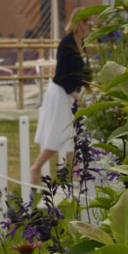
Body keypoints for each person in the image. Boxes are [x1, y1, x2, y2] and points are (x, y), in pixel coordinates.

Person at [30, 15, 89, 184]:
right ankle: (36, 168)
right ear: (78, 22)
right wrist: (74, 94)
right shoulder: (66, 43)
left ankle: (76, 174)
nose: (89, 25)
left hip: (73, 93)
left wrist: (89, 88)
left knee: (75, 134)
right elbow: (61, 73)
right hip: (61, 93)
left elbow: (84, 70)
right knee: (58, 134)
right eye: (86, 21)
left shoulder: (82, 43)